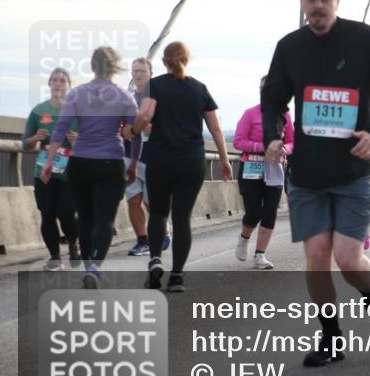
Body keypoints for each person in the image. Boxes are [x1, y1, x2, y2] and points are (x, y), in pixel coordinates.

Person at [261, 0, 370, 367]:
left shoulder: (363, 39)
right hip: (307, 175)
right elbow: (273, 100)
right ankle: (330, 337)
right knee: (317, 258)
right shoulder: (289, 47)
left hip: (352, 171)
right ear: (303, 3)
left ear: (337, 2)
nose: (318, 4)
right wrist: (273, 135)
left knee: (347, 258)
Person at [135, 41, 233, 293]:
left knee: (158, 213)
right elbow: (216, 128)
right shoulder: (200, 89)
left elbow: (145, 116)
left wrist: (133, 129)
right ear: (187, 60)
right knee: (181, 219)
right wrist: (223, 159)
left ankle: (155, 259)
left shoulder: (154, 85)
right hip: (191, 162)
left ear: (164, 62)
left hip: (160, 159)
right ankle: (177, 276)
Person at [41, 48, 136, 288]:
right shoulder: (124, 96)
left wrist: (50, 161)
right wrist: (133, 163)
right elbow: (135, 136)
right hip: (110, 162)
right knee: (105, 219)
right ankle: (94, 267)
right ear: (114, 67)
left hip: (80, 161)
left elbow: (60, 128)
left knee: (84, 218)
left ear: (92, 66)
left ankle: (87, 267)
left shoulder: (77, 94)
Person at [233, 76, 295, 269]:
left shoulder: (285, 116)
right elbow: (238, 141)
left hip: (274, 168)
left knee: (269, 212)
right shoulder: (250, 113)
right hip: (250, 167)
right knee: (253, 212)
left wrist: (285, 149)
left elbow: (293, 141)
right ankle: (244, 237)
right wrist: (262, 147)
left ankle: (260, 255)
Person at [23, 68, 79, 271]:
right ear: (49, 84)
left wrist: (79, 141)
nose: (57, 84)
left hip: (70, 171)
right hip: (43, 170)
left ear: (68, 85)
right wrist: (35, 138)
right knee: (47, 214)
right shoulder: (39, 110)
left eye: (62, 80)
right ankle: (55, 257)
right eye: (54, 80)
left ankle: (74, 243)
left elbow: (93, 142)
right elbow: (24, 144)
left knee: (66, 213)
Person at [124, 57, 172, 256]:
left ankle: (162, 230)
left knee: (151, 203)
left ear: (151, 74)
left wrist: (157, 128)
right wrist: (126, 131)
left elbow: (172, 126)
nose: (138, 75)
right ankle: (142, 240)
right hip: (129, 156)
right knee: (133, 200)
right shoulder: (127, 99)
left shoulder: (161, 98)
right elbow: (121, 126)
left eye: (142, 71)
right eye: (135, 71)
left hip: (155, 157)